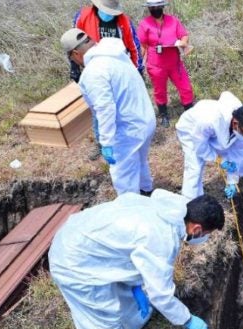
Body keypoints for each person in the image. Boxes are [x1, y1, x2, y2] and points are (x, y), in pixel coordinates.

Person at [49, 190, 224, 329]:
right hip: (74, 261)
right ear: (197, 228)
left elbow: (131, 243)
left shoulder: (169, 208)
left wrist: (135, 285)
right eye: (207, 235)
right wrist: (187, 319)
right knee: (104, 318)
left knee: (128, 297)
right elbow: (160, 294)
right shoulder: (160, 237)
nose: (204, 239)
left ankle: (130, 327)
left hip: (89, 241)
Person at [61, 28, 156, 196]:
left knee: (123, 173)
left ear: (76, 53)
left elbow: (104, 108)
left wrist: (106, 142)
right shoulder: (116, 55)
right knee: (140, 161)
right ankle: (146, 191)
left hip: (128, 130)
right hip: (145, 120)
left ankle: (132, 210)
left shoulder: (93, 72)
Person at [71, 0, 144, 161]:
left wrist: (137, 70)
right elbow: (73, 43)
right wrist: (75, 68)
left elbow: (133, 45)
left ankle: (129, 137)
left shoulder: (123, 20)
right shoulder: (83, 16)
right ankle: (102, 143)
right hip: (96, 69)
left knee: (123, 105)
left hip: (119, 69)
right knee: (101, 107)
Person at [175, 91, 243, 200]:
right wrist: (219, 160)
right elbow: (200, 146)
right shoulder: (208, 120)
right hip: (191, 130)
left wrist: (232, 181)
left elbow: (239, 154)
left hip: (213, 133)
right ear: (235, 124)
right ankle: (191, 202)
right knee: (194, 166)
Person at [137, 0, 195, 128]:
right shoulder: (144, 24)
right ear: (149, 9)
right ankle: (164, 115)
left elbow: (184, 35)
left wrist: (183, 42)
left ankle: (190, 114)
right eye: (152, 7)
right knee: (160, 91)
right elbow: (142, 45)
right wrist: (139, 63)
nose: (155, 9)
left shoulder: (173, 20)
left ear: (162, 6)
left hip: (175, 63)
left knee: (185, 87)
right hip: (156, 65)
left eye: (157, 6)